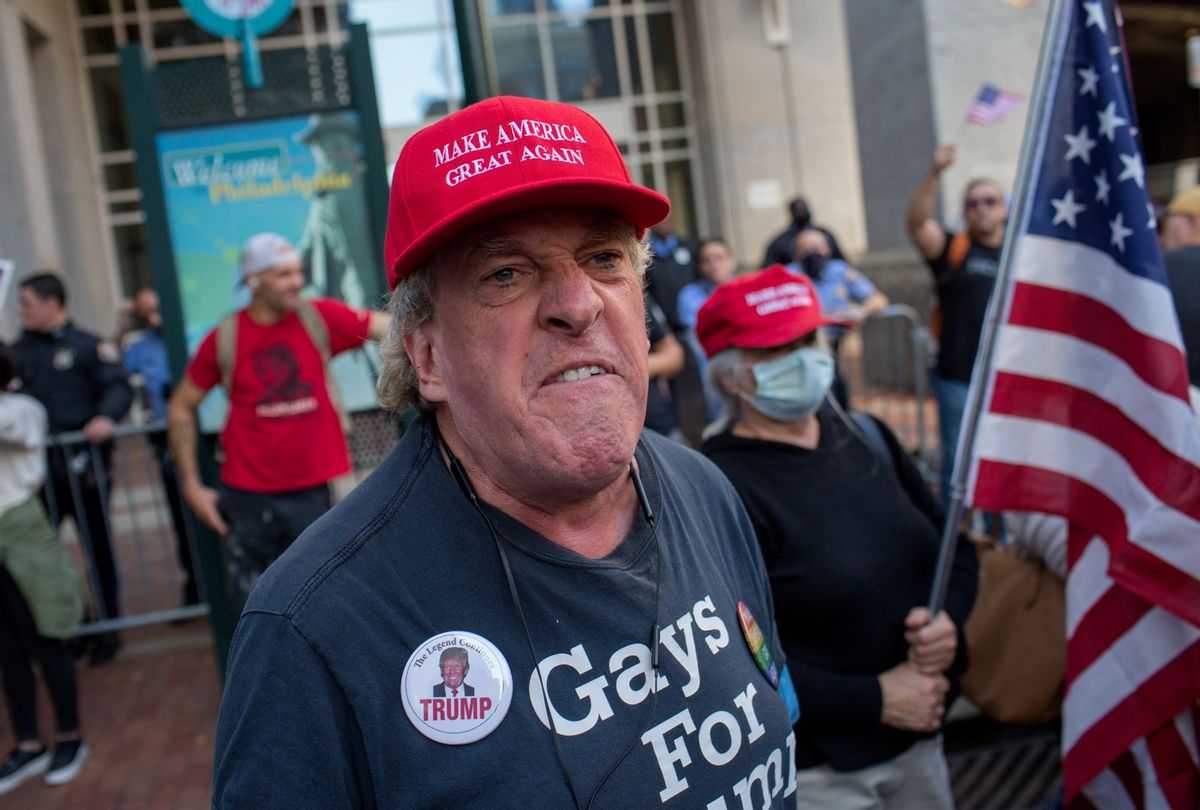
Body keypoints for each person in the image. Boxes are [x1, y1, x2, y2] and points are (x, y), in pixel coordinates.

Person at [213, 95, 798, 808]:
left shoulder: (701, 485)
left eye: (604, 257)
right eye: (506, 275)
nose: (578, 303)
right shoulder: (315, 629)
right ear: (425, 355)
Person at [697, 266, 977, 809]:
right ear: (731, 375)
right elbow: (733, 657)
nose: (805, 358)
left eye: (810, 339)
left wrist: (949, 622)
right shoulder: (716, 487)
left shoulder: (867, 435)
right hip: (825, 773)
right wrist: (874, 700)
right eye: (778, 348)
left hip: (922, 737)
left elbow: (954, 553)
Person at [166, 233, 389, 616]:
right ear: (253, 280)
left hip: (321, 493)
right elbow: (180, 408)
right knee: (256, 611)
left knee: (331, 603)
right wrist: (190, 485)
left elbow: (389, 326)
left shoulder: (318, 317)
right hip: (249, 498)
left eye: (298, 272)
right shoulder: (226, 338)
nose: (296, 282)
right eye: (283, 274)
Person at [12, 272, 131, 666]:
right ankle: (69, 627)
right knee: (46, 557)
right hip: (38, 475)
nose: (20, 311)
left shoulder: (87, 347)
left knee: (97, 549)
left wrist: (105, 418)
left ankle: (107, 629)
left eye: (27, 302)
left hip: (85, 470)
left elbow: (117, 388)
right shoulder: (17, 352)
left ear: (52, 303)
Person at [0, 344, 89, 793]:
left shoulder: (21, 408)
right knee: (7, 650)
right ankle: (28, 742)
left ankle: (70, 735)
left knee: (46, 636)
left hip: (22, 532)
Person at [906, 144, 1008, 505]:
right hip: (959, 379)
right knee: (959, 467)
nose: (981, 209)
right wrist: (934, 173)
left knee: (1007, 461)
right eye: (972, 203)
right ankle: (957, 540)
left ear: (1004, 208)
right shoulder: (953, 248)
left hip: (1007, 378)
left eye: (989, 201)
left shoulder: (1019, 253)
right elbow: (917, 223)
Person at [117, 288, 199, 607]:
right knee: (181, 518)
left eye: (157, 310)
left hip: (202, 438)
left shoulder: (191, 335)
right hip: (168, 440)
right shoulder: (142, 346)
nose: (153, 320)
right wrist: (122, 325)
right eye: (144, 314)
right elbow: (114, 367)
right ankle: (192, 584)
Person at [786, 228, 889, 408]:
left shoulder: (839, 271)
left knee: (839, 401)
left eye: (816, 247)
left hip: (833, 353)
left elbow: (879, 300)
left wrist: (861, 311)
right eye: (805, 248)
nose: (812, 253)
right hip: (800, 356)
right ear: (796, 254)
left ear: (827, 249)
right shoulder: (788, 275)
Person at [677, 237, 739, 418]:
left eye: (719, 258)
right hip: (710, 367)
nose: (714, 265)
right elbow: (698, 340)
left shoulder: (746, 288)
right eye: (707, 260)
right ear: (700, 266)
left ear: (731, 261)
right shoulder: (690, 295)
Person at [1161, 187, 1200, 387]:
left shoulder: (1161, 271)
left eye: (1165, 221)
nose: (1160, 234)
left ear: (1192, 223)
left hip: (1175, 408)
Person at [761, 196, 846, 268]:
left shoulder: (825, 235)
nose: (811, 253)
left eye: (815, 248)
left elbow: (842, 263)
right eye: (805, 250)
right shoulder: (780, 244)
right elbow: (768, 271)